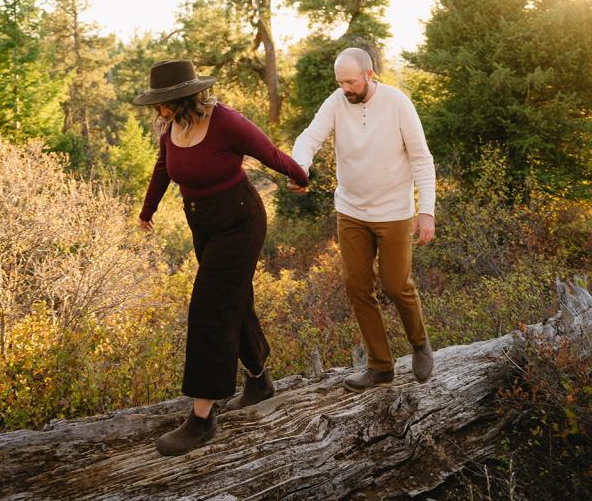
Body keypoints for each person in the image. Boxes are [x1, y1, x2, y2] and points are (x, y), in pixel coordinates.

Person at [135, 58, 309, 456]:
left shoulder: (227, 121)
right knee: (234, 300)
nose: (157, 108)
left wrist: (299, 176)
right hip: (202, 224)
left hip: (239, 221)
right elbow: (163, 167)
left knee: (209, 310)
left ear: (182, 98)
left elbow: (268, 152)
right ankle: (259, 381)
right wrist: (147, 211)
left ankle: (202, 418)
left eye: (161, 100)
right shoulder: (172, 126)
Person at [290, 47, 436, 390]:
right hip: (351, 211)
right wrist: (299, 166)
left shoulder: (397, 103)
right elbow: (310, 137)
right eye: (340, 82)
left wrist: (426, 211)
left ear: (369, 75)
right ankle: (380, 366)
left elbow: (421, 158)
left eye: (351, 82)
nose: (345, 89)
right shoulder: (336, 102)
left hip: (394, 213)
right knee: (357, 286)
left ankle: (420, 344)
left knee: (396, 285)